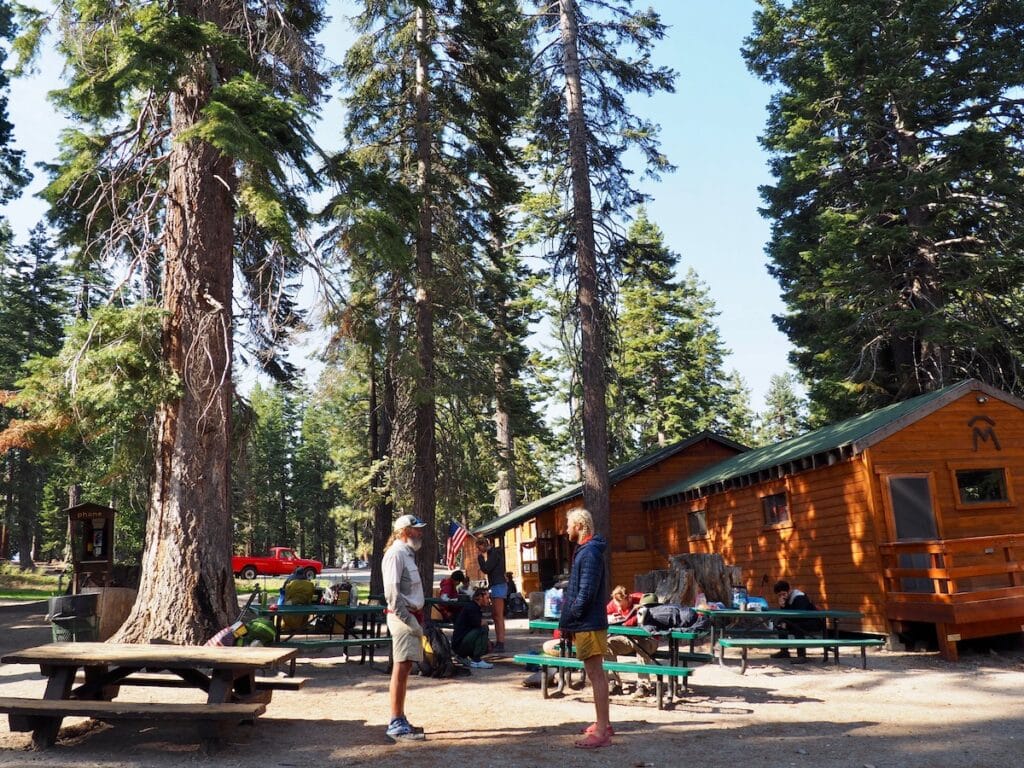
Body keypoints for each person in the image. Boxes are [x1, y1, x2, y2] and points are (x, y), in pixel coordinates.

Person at [559, 508, 612, 749]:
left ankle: (602, 730)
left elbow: (586, 593)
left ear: (579, 526)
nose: (566, 529)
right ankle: (603, 723)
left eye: (569, 524)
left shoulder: (589, 553)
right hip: (587, 622)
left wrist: (571, 618)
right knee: (594, 673)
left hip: (589, 623)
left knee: (596, 674)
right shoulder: (585, 551)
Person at [383, 514, 428, 742]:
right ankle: (395, 722)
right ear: (404, 532)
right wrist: (410, 621)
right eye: (416, 529)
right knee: (401, 668)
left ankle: (400, 717)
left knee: (406, 666)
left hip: (410, 617)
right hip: (403, 618)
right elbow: (392, 595)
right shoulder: (395, 554)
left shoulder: (406, 554)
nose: (420, 533)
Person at [605, 586, 659, 697]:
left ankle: (643, 685)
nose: (619, 607)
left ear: (628, 598)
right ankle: (613, 682)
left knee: (641, 645)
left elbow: (646, 614)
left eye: (621, 605)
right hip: (628, 638)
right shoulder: (614, 603)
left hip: (649, 639)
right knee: (607, 644)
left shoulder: (641, 599)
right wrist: (610, 618)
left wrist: (625, 621)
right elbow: (603, 615)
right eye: (617, 604)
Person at [772, 579, 824, 664]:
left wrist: (787, 622)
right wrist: (783, 606)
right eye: (779, 595)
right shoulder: (787, 599)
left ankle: (801, 655)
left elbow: (799, 615)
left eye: (783, 594)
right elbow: (787, 615)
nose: (782, 596)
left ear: (789, 590)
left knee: (797, 626)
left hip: (813, 622)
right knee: (781, 625)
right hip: (801, 621)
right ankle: (784, 651)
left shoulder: (799, 597)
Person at [476, 537, 507, 652]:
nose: (480, 551)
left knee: (498, 616)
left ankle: (501, 642)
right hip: (495, 585)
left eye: (480, 548)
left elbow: (486, 568)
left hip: (498, 585)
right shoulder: (491, 553)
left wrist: (480, 558)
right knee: (495, 615)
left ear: (484, 545)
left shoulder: (494, 554)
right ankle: (499, 641)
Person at [451, 587, 494, 669]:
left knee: (487, 643)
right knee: (483, 628)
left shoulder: (475, 607)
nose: (489, 600)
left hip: (462, 641)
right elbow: (478, 624)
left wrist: (487, 641)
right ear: (480, 597)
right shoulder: (472, 608)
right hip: (459, 644)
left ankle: (470, 657)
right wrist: (485, 623)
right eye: (487, 598)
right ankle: (476, 660)